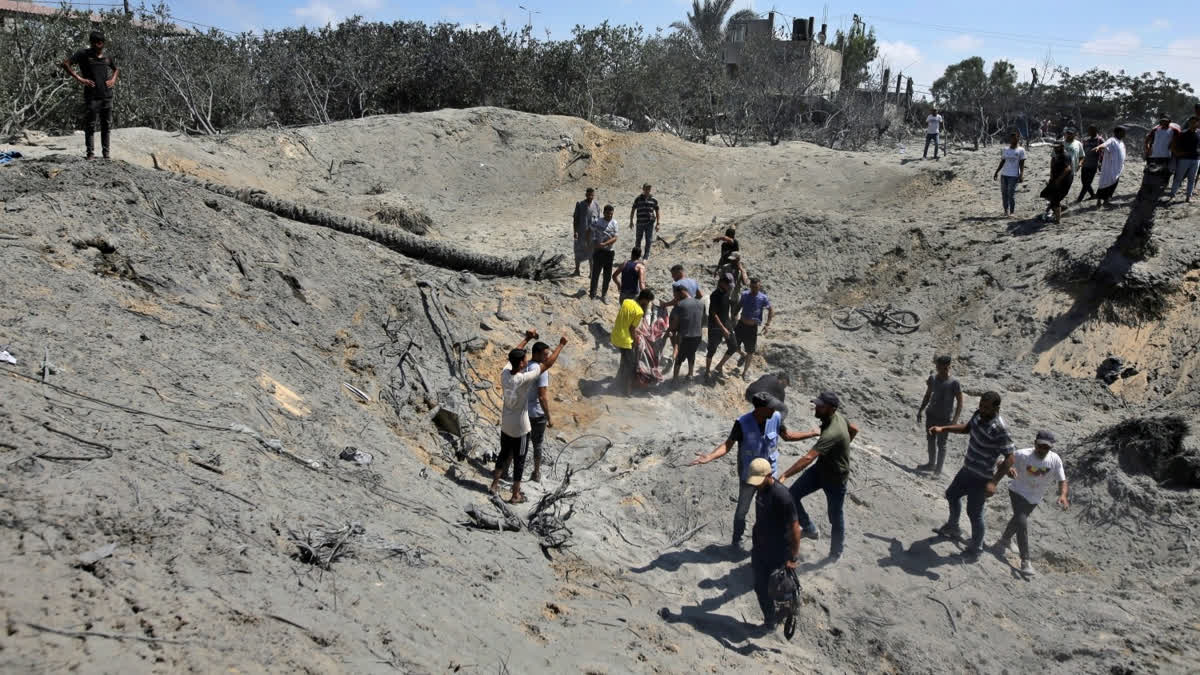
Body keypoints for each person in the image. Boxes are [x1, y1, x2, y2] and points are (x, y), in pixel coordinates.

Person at [689, 393, 818, 552]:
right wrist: (710, 456)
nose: (774, 410)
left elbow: (787, 436)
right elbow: (727, 445)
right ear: (761, 409)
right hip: (748, 476)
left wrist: (811, 433)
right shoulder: (742, 423)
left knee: (771, 508)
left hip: (769, 475)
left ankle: (769, 540)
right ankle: (737, 541)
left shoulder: (776, 418)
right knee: (742, 510)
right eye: (771, 407)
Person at [930, 391, 1016, 557]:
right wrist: (944, 428)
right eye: (981, 405)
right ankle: (953, 526)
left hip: (982, 478)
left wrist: (993, 482)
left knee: (974, 513)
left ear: (996, 408)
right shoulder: (978, 415)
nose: (982, 409)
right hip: (967, 469)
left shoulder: (1000, 429)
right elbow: (967, 428)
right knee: (952, 495)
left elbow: (1010, 458)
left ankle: (976, 548)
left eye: (986, 407)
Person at [779, 391, 859, 561]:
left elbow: (808, 457)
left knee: (835, 515)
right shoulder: (836, 418)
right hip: (820, 470)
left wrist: (785, 475)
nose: (816, 407)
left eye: (820, 405)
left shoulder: (832, 433)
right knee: (792, 495)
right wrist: (842, 447)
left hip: (836, 478)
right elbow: (854, 430)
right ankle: (809, 528)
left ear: (831, 408)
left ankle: (836, 552)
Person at [490, 331, 567, 503]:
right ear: (520, 364)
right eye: (524, 360)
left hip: (506, 424)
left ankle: (494, 484)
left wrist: (527, 339)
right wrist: (561, 345)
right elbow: (548, 364)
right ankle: (515, 494)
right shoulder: (524, 379)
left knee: (503, 454)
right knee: (520, 459)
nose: (527, 361)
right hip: (520, 428)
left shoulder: (505, 374)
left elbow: (514, 354)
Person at [990, 430, 1069, 577]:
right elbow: (1001, 461)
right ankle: (1025, 561)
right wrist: (1009, 470)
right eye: (1040, 446)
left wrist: (1063, 495)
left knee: (1018, 520)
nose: (1043, 449)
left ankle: (1005, 540)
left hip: (1035, 497)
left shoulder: (1055, 459)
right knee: (1022, 522)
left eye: (1047, 447)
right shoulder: (1023, 454)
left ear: (1051, 447)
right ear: (1035, 444)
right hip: (1017, 491)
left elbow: (1062, 480)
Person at [62, 31, 119, 160]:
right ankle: (90, 153)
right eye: (95, 43)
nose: (98, 46)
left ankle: (106, 154)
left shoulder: (107, 56)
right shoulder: (84, 54)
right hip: (92, 96)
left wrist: (113, 79)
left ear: (103, 43)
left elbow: (116, 69)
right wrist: (80, 79)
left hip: (106, 95)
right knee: (91, 124)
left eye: (100, 43)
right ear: (91, 43)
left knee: (106, 125)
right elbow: (66, 64)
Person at [915, 355, 963, 475]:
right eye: (937, 366)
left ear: (947, 366)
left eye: (941, 367)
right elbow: (927, 395)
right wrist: (921, 409)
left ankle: (938, 470)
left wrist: (955, 419)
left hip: (945, 418)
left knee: (942, 444)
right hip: (931, 414)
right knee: (930, 440)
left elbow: (960, 401)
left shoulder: (954, 382)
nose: (938, 369)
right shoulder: (932, 378)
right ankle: (931, 464)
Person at [523, 341, 554, 483]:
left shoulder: (524, 366)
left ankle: (505, 470)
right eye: (545, 354)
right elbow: (542, 396)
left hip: (523, 411)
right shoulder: (541, 370)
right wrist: (549, 417)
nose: (547, 357)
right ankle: (536, 473)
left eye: (548, 354)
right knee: (538, 444)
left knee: (519, 442)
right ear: (536, 354)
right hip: (536, 414)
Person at [612, 289, 654, 395]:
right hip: (625, 340)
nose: (647, 304)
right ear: (644, 300)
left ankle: (618, 382)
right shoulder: (639, 311)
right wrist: (635, 340)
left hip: (615, 335)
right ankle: (627, 390)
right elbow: (632, 329)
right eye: (648, 302)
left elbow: (626, 319)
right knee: (631, 366)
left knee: (624, 361)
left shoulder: (626, 301)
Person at [736, 278, 773, 380]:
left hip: (752, 328)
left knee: (750, 351)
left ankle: (745, 372)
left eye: (756, 287)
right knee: (733, 345)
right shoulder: (745, 294)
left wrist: (767, 324)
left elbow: (770, 310)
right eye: (752, 287)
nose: (754, 289)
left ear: (759, 286)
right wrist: (734, 315)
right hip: (741, 324)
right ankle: (741, 354)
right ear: (750, 286)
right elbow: (739, 305)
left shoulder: (763, 298)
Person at [705, 273, 739, 379]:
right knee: (712, 349)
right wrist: (723, 328)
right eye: (728, 284)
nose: (730, 287)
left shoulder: (726, 292)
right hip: (715, 326)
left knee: (733, 346)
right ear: (722, 282)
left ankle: (719, 366)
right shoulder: (715, 295)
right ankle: (707, 371)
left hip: (726, 322)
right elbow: (713, 313)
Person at [667, 284, 704, 382]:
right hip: (698, 336)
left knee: (679, 357)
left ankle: (675, 379)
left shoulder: (680, 305)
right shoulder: (700, 303)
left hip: (685, 336)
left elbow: (674, 324)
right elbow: (703, 321)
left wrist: (670, 330)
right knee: (691, 354)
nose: (675, 298)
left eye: (675, 295)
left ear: (681, 292)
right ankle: (690, 374)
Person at [589, 204, 619, 301]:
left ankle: (604, 295)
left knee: (607, 275)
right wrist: (593, 243)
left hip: (609, 252)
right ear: (604, 213)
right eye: (608, 214)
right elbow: (589, 231)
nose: (609, 216)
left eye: (611, 214)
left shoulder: (614, 223)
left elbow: (615, 237)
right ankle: (592, 294)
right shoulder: (597, 222)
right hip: (598, 251)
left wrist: (605, 244)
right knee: (595, 274)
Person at [993, 132, 1026, 216]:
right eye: (1012, 138)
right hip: (1004, 175)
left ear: (1018, 138)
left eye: (1015, 138)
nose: (1013, 140)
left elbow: (1022, 164)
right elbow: (1002, 161)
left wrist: (1021, 175)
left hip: (1014, 175)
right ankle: (1005, 210)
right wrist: (996, 172)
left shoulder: (1021, 150)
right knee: (1004, 193)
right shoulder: (1005, 149)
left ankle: (1012, 212)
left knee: (1011, 194)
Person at [1092, 127, 1127, 207]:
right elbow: (1105, 144)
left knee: (1113, 183)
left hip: (1118, 168)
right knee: (1105, 183)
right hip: (1110, 167)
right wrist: (1099, 147)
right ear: (1117, 133)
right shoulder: (1112, 140)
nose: (1124, 134)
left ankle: (1106, 200)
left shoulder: (1121, 142)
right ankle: (1100, 201)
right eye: (1123, 132)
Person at [1039, 143, 1073, 223]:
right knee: (1046, 194)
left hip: (1064, 181)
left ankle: (1058, 220)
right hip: (1055, 179)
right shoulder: (1057, 154)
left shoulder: (1066, 155)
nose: (1055, 149)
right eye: (1054, 147)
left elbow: (1068, 169)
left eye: (1057, 147)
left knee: (1055, 199)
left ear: (1062, 146)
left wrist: (1058, 180)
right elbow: (1053, 161)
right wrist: (1051, 175)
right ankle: (1060, 207)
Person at [1168, 116, 1199, 203]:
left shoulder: (1199, 133)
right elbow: (1172, 145)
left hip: (1196, 159)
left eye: (1195, 122)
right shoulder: (1183, 133)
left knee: (1192, 179)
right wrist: (1177, 153)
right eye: (1192, 122)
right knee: (1178, 178)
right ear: (1189, 123)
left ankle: (1188, 197)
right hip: (1184, 159)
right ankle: (1172, 196)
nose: (1194, 124)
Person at [572, 188, 599, 277]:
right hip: (581, 233)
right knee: (578, 251)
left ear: (593, 195)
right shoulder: (580, 205)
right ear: (586, 195)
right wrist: (575, 231)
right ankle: (577, 270)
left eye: (592, 195)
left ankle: (591, 273)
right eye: (588, 195)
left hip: (592, 234)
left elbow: (598, 220)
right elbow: (575, 219)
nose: (590, 197)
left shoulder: (596, 205)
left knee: (592, 253)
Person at [629, 183, 660, 261]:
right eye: (646, 188)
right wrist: (631, 221)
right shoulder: (638, 199)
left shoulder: (653, 199)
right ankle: (637, 256)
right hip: (640, 223)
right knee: (638, 240)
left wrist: (658, 223)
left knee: (648, 240)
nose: (647, 190)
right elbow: (633, 210)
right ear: (643, 189)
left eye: (649, 189)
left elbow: (657, 211)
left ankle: (646, 257)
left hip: (650, 223)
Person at [1075, 126, 1104, 203]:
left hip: (1093, 164)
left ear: (1096, 130)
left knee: (1087, 183)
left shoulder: (1100, 140)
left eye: (1092, 130)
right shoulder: (1086, 140)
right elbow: (1082, 151)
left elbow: (1103, 152)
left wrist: (1101, 163)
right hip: (1085, 164)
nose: (1090, 132)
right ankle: (1092, 195)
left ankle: (1079, 199)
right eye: (1089, 130)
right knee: (1084, 182)